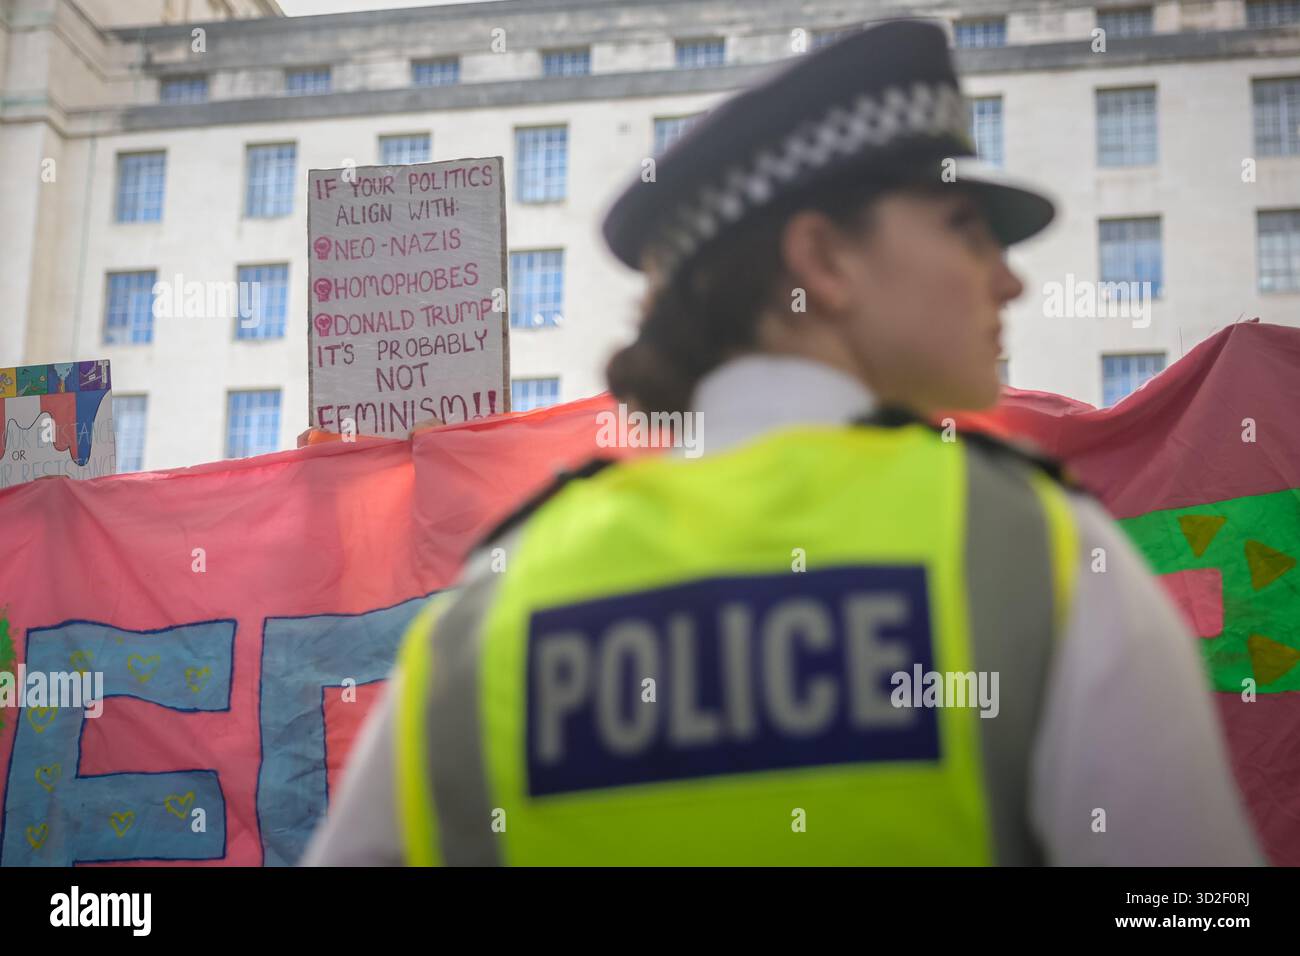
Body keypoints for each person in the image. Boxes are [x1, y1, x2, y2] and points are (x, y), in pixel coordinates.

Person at [304, 18, 1261, 866]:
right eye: (966, 228)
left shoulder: (498, 603)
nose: (1006, 282)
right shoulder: (1032, 555)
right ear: (822, 261)